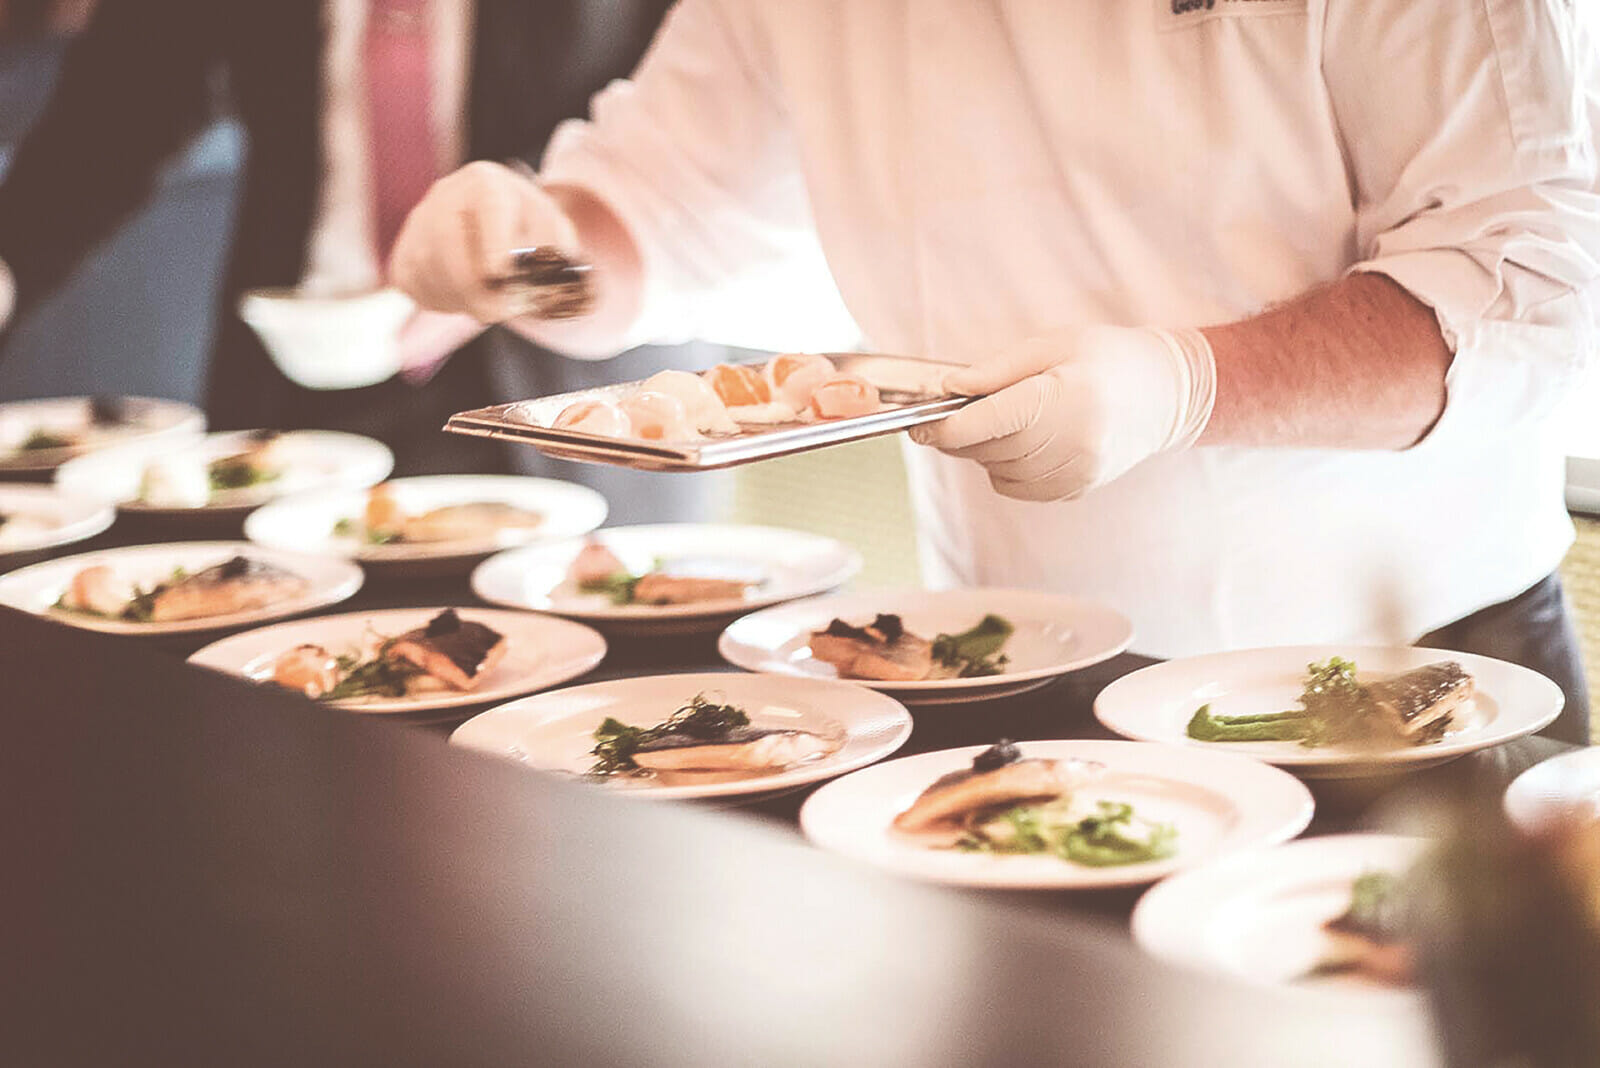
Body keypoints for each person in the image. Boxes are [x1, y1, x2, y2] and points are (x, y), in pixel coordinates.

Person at [391, 1, 1600, 743]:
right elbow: (658, 212)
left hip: (1403, 679)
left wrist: (1185, 386)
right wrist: (529, 257)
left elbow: (1521, 285)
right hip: (1008, 657)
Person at [0, 0, 739, 521]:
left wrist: (512, 252)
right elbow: (117, 113)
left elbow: (685, 146)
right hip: (299, 386)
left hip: (575, 403)